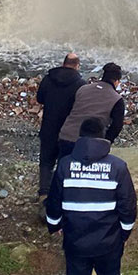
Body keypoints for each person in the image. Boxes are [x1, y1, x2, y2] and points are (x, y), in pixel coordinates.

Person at [46, 118, 137, 275]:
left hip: (75, 241)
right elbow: (128, 205)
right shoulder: (118, 167)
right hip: (109, 242)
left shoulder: (65, 165)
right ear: (103, 137)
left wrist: (55, 225)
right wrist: (124, 233)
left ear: (80, 137)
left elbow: (54, 200)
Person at [37, 53, 87, 196]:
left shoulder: (48, 79)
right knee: (65, 163)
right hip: (69, 131)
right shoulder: (81, 85)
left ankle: (44, 194)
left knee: (46, 162)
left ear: (63, 63)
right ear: (77, 66)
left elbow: (40, 98)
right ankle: (61, 194)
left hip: (48, 127)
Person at [58, 63, 126, 159]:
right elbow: (117, 126)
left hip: (67, 136)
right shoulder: (117, 99)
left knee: (64, 169)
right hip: (90, 144)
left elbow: (68, 110)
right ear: (117, 81)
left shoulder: (83, 89)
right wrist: (106, 141)